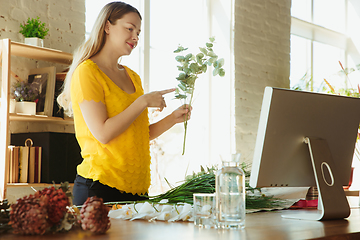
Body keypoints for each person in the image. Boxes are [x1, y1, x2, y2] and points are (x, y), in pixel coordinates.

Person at [57, 1, 192, 205]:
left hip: (137, 190)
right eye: (130, 28)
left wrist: (173, 119)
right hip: (99, 187)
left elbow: (137, 135)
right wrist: (143, 101)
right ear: (107, 26)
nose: (136, 37)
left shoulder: (133, 77)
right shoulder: (87, 72)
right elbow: (103, 133)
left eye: (138, 32)